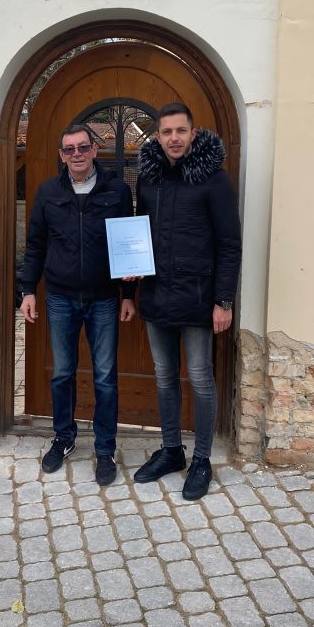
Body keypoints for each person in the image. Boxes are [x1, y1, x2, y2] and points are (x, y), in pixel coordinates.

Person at [133, 102, 241, 500]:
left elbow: (229, 244)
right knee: (164, 376)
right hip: (157, 295)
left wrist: (224, 301)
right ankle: (171, 450)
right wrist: (131, 276)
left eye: (181, 131)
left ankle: (202, 460)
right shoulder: (148, 178)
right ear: (158, 137)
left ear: (193, 134)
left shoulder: (214, 179)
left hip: (198, 297)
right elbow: (139, 233)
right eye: (167, 132)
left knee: (199, 377)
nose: (174, 138)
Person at [20, 123, 136, 486]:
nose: (77, 154)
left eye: (83, 147)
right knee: (62, 373)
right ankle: (64, 438)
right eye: (69, 149)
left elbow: (126, 245)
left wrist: (129, 296)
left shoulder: (117, 191)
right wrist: (27, 291)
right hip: (60, 297)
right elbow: (36, 244)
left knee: (105, 377)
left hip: (104, 297)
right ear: (61, 155)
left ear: (95, 150)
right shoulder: (48, 192)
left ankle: (105, 448)